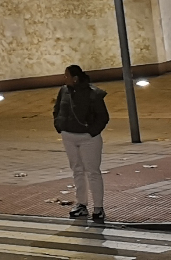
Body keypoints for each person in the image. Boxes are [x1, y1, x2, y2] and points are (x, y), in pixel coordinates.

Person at [53, 64, 110, 223]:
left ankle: (98, 207)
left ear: (75, 78)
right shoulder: (64, 91)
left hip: (88, 138)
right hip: (69, 136)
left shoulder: (93, 93)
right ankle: (81, 204)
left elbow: (103, 117)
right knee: (77, 170)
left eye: (67, 76)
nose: (65, 79)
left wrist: (91, 131)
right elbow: (57, 109)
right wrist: (60, 125)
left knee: (92, 171)